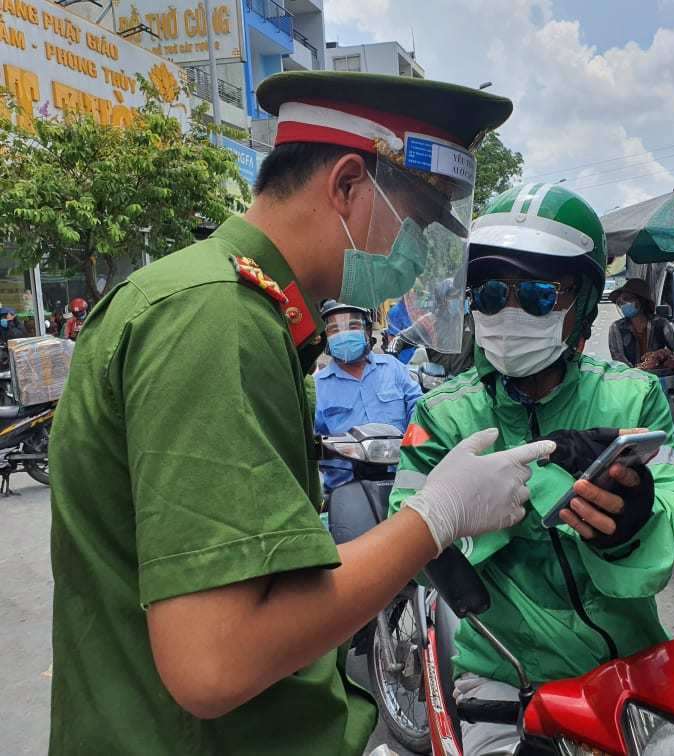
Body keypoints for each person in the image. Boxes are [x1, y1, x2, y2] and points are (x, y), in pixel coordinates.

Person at [48, 71, 558, 755]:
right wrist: (434, 519)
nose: (414, 258)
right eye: (416, 221)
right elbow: (215, 663)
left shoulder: (232, 305)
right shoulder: (216, 318)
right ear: (347, 184)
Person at [388, 183, 674, 755]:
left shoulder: (632, 399)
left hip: (631, 671)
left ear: (582, 304)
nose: (509, 311)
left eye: (537, 294)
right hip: (503, 676)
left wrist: (635, 526)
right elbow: (405, 551)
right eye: (489, 293)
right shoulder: (443, 414)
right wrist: (481, 506)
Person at [315, 299, 421, 494]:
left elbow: (420, 409)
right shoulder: (316, 387)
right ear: (325, 338)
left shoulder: (393, 368)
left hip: (404, 483)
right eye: (334, 330)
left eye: (353, 326)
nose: (344, 334)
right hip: (344, 491)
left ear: (367, 330)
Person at [608, 277, 674, 371]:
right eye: (620, 302)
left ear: (640, 301)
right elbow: (619, 360)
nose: (623, 304)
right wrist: (640, 369)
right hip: (631, 380)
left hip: (660, 378)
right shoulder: (617, 328)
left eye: (627, 299)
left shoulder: (661, 324)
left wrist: (666, 356)